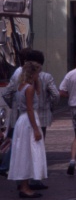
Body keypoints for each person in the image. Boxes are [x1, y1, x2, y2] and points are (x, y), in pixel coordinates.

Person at [1, 49, 58, 187]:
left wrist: (14, 106)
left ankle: (19, 176)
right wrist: (51, 107)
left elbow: (8, 93)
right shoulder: (45, 77)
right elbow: (55, 95)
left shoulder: (18, 76)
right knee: (35, 149)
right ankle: (33, 178)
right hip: (35, 117)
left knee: (19, 146)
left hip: (20, 116)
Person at [8, 61, 47, 199]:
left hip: (22, 121)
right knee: (28, 152)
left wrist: (37, 82)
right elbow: (30, 108)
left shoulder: (22, 87)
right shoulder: (29, 88)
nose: (39, 75)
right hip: (29, 121)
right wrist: (36, 129)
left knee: (24, 152)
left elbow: (37, 92)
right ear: (33, 73)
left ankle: (24, 184)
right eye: (37, 73)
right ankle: (25, 187)